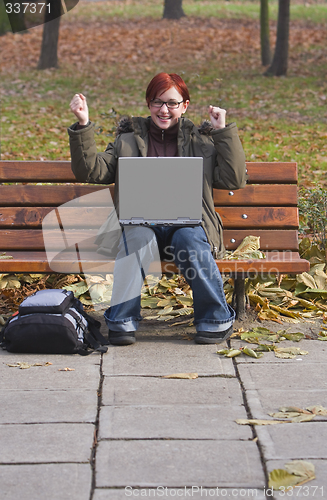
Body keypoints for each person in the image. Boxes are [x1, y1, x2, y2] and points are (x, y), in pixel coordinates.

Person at [68, 72, 247, 346]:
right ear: (148, 104)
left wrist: (222, 131)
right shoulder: (126, 142)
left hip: (187, 226)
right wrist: (83, 124)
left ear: (184, 105)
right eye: (157, 102)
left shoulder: (201, 141)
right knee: (137, 238)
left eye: (172, 103)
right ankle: (122, 320)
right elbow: (92, 170)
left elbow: (234, 179)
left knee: (190, 240)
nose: (164, 109)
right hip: (141, 226)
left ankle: (214, 318)